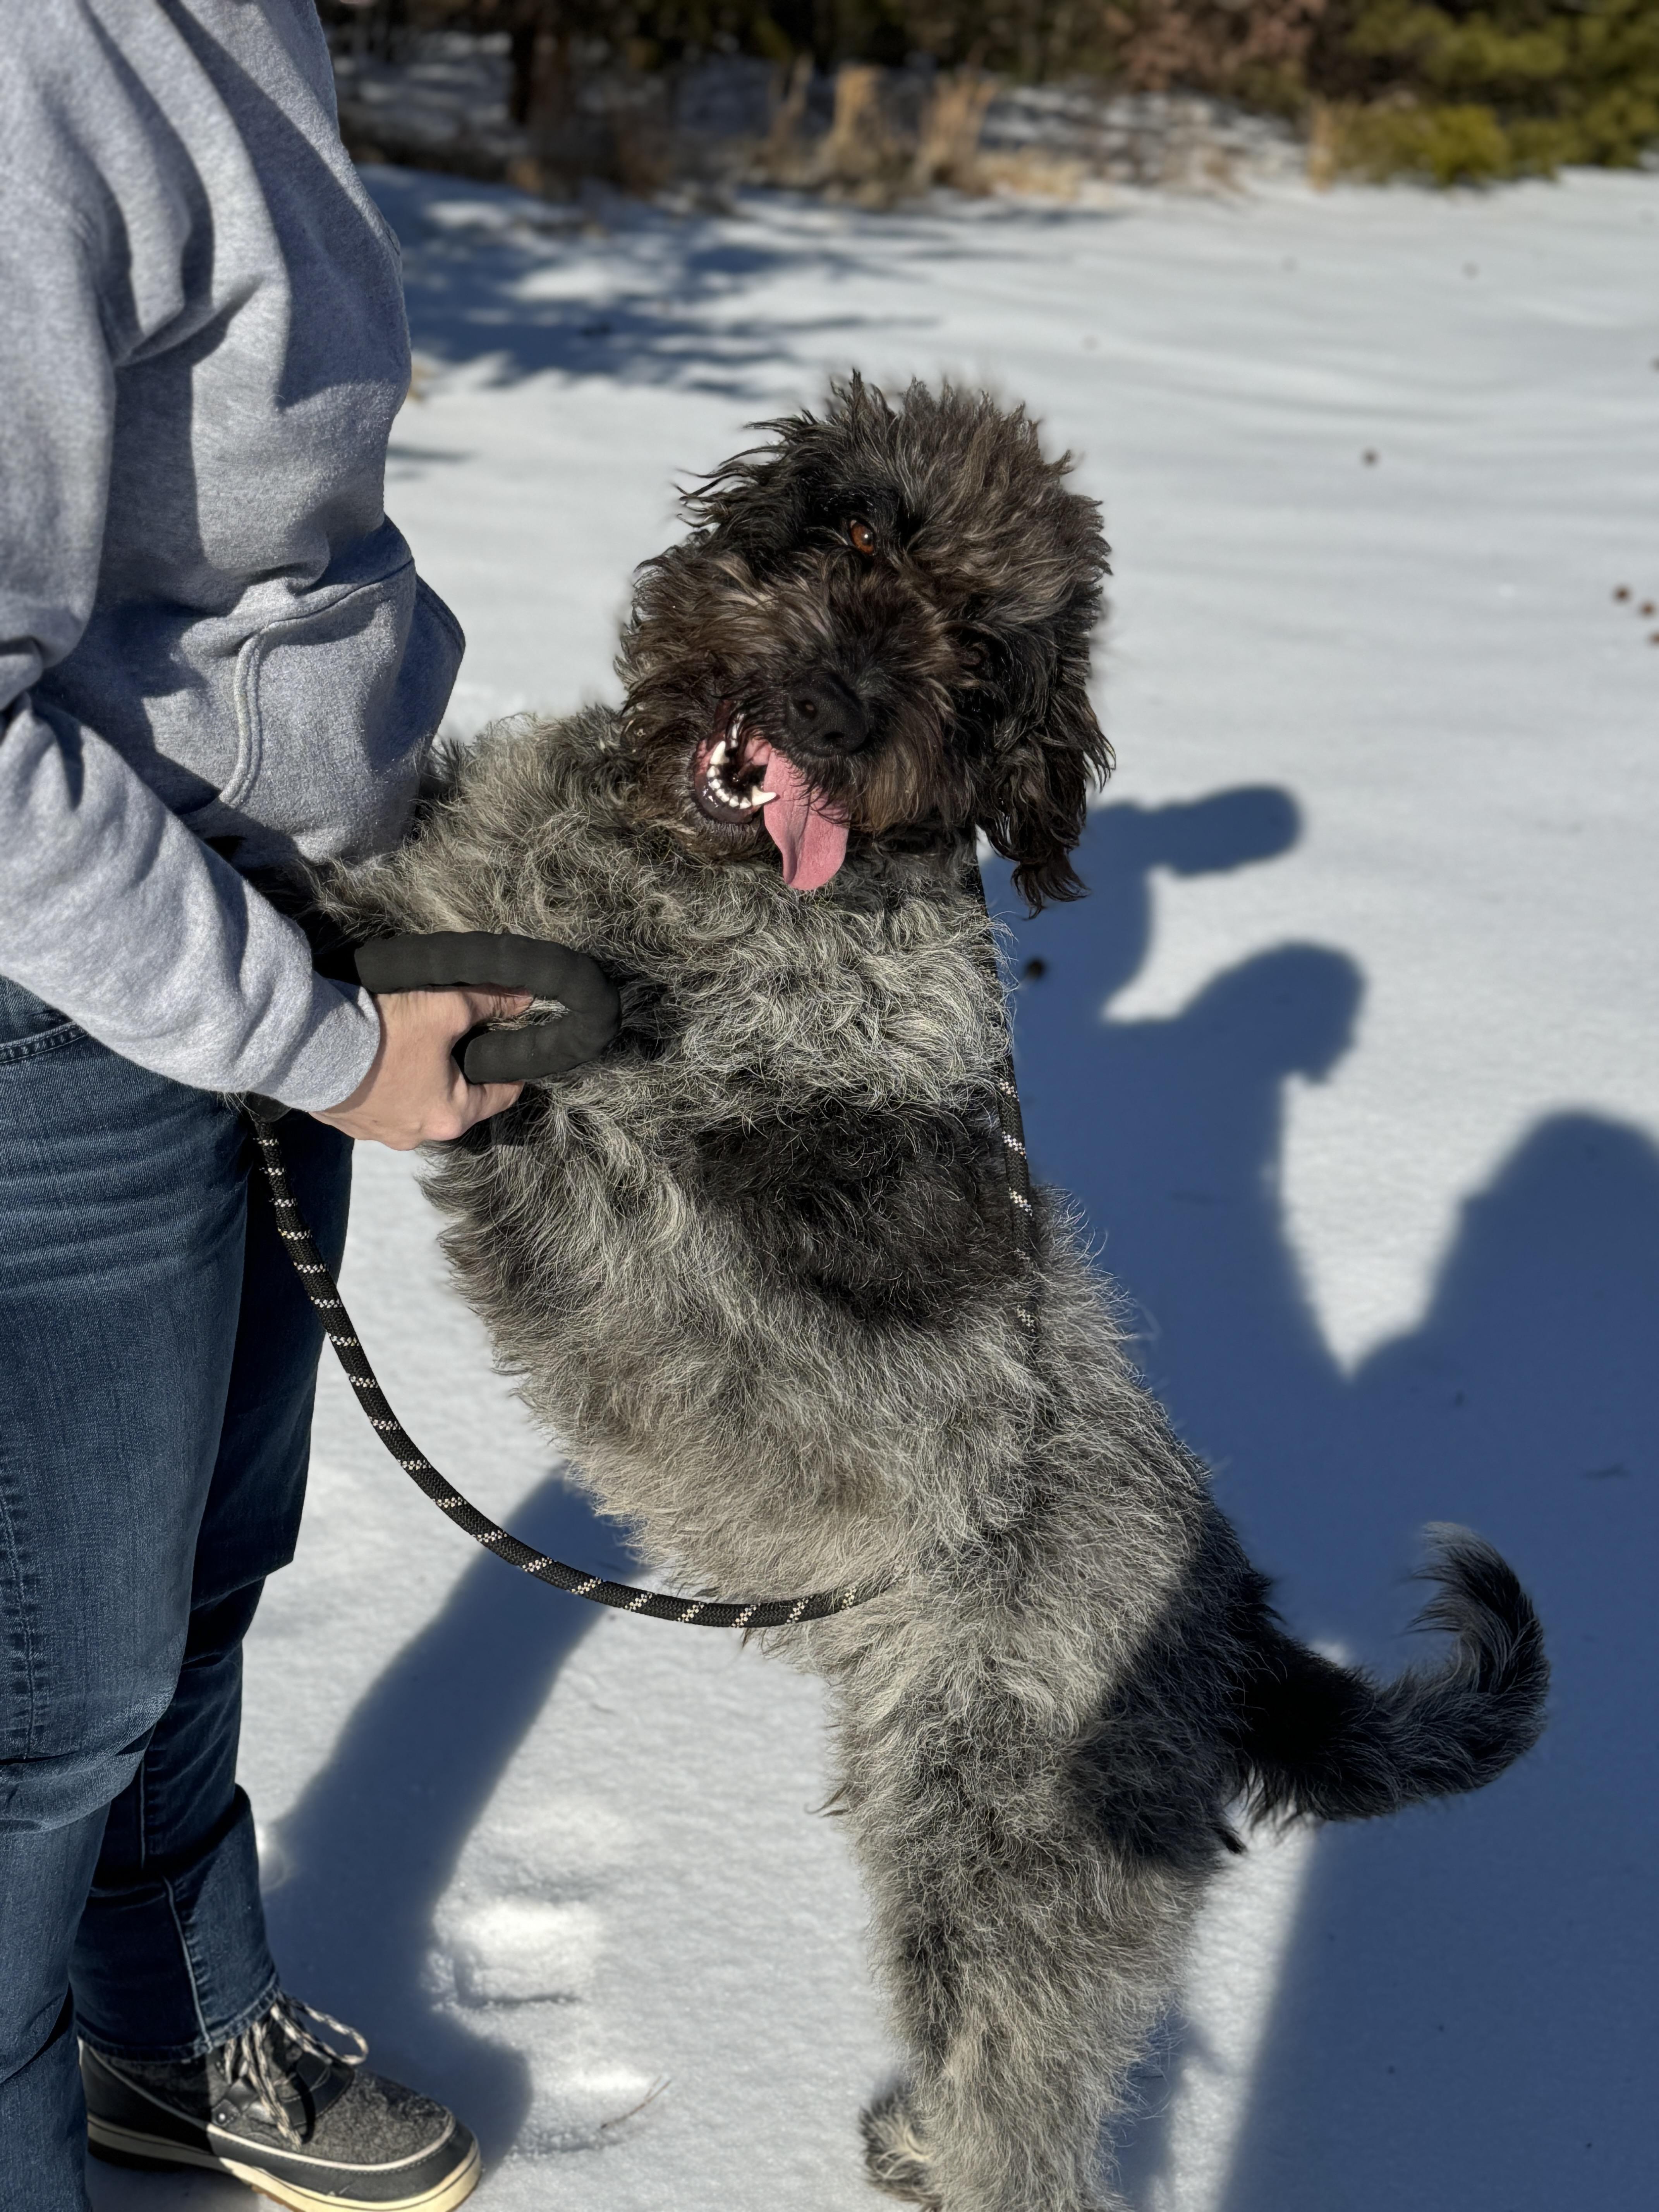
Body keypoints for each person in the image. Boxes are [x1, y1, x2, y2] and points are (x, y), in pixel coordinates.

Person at [1, 6, 527, 2206]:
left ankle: (175, 2030)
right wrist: (322, 1047)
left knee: (196, 1578)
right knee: (44, 1699)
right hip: (72, 995)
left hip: (258, 930)